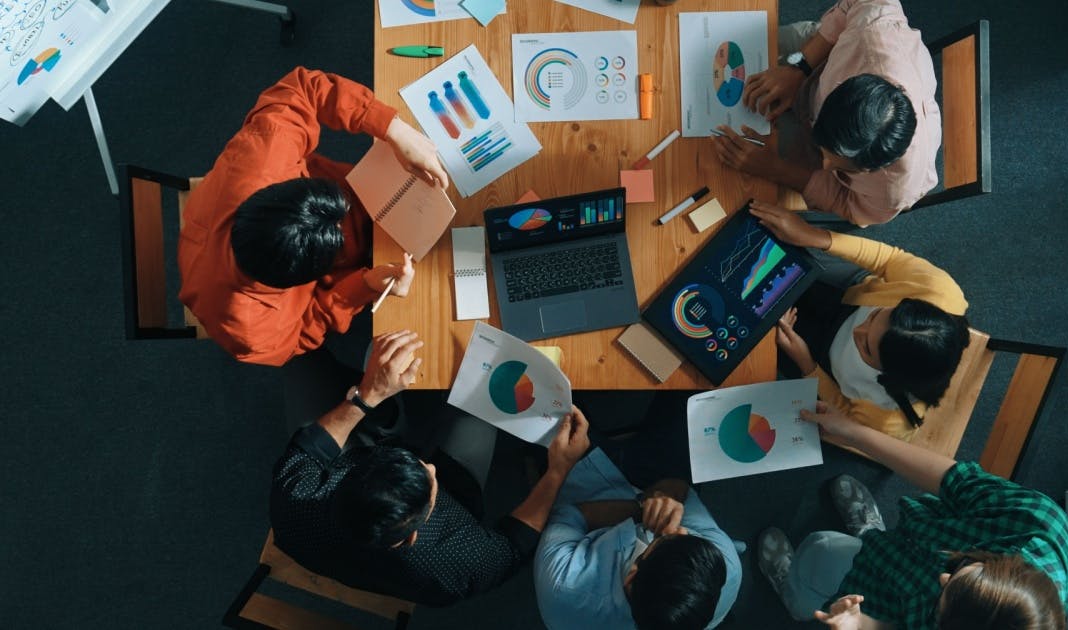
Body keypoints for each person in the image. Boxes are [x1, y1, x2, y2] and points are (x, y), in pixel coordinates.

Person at [270, 330, 592, 606]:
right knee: (485, 402)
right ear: (411, 538)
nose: (432, 470)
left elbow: (310, 447)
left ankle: (384, 418)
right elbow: (513, 546)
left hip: (342, 507)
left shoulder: (294, 498)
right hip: (459, 490)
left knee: (298, 352)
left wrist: (368, 396)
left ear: (347, 474)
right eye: (430, 482)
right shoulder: (460, 567)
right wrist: (557, 470)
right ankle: (393, 419)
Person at [178, 67, 449, 367]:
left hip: (368, 190)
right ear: (294, 283)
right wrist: (363, 288)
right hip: (350, 281)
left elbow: (304, 88)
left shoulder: (265, 159)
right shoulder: (248, 329)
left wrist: (393, 129)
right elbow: (304, 332)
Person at [757, 402, 1068, 628]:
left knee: (819, 553)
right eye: (961, 571)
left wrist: (858, 624)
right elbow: (951, 479)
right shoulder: (1037, 523)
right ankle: (872, 536)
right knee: (837, 549)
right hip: (914, 546)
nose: (943, 577)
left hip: (884, 593)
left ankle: (794, 594)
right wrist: (853, 432)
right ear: (1009, 566)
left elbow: (894, 626)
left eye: (942, 599)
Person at [711, 0, 940, 226]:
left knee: (726, 172)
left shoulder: (895, 189)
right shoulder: (874, 31)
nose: (825, 166)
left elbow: (847, 203)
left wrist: (775, 168)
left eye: (841, 169)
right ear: (842, 88)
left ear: (871, 169)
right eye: (827, 153)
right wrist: (799, 69)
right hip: (819, 56)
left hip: (805, 151)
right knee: (719, 45)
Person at [753, 201, 969, 440]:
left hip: (819, 360)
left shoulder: (889, 421)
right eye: (876, 314)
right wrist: (812, 236)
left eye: (866, 348)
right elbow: (889, 260)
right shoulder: (940, 291)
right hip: (851, 292)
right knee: (775, 246)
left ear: (888, 377)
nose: (858, 328)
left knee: (752, 338)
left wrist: (806, 362)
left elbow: (842, 411)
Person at [534, 447, 741, 630]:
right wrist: (667, 495)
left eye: (663, 538)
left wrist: (643, 508)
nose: (682, 530)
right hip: (648, 482)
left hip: (587, 487)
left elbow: (568, 515)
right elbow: (682, 489)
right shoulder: (727, 566)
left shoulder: (563, 584)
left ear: (631, 577)